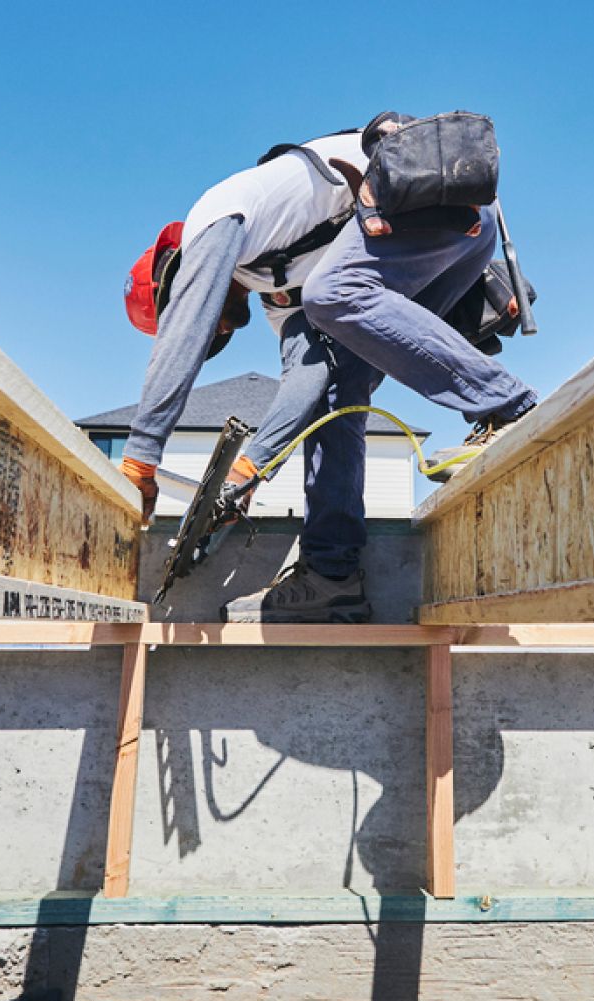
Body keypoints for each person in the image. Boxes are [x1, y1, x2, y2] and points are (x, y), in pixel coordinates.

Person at [120, 113, 538, 623]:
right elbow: (308, 378)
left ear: (178, 279)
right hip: (441, 239)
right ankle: (331, 574)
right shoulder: (276, 293)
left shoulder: (216, 215)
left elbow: (184, 331)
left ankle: (509, 407)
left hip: (435, 195)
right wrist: (251, 468)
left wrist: (141, 457)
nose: (216, 331)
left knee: (333, 294)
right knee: (342, 389)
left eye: (203, 319)